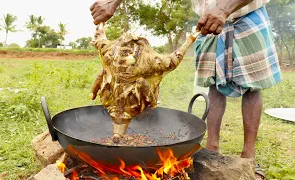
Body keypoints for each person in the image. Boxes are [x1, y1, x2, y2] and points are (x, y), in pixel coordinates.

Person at [90, 0, 282, 179]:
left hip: (247, 15)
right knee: (213, 85)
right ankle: (212, 148)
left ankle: (248, 155)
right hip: (208, 22)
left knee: (252, 86)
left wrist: (223, 9)